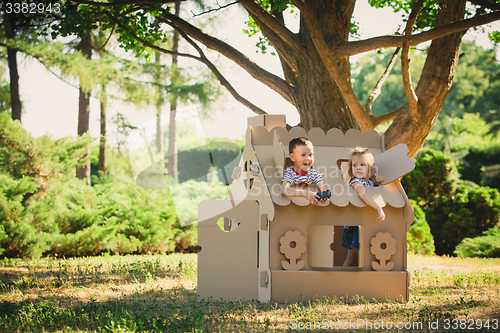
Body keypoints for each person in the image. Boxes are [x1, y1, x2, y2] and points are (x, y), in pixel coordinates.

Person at [343, 147, 386, 266]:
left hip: (366, 221)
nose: (358, 168)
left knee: (363, 256)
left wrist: (377, 181)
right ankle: (341, 278)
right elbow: (364, 195)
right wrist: (378, 207)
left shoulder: (368, 182)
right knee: (352, 258)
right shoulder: (356, 183)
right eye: (354, 165)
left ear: (370, 168)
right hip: (355, 224)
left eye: (362, 164)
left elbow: (373, 185)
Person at [281, 137, 329, 205]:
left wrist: (324, 196)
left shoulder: (313, 174)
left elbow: (322, 186)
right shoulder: (290, 173)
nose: (308, 158)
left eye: (310, 155)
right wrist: (305, 193)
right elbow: (285, 190)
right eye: (303, 155)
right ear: (292, 157)